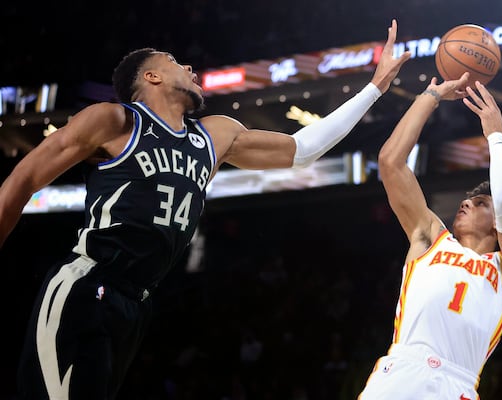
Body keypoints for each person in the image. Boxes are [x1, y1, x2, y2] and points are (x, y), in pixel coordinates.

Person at [0, 20, 411, 400]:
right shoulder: (115, 120)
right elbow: (24, 180)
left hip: (136, 302)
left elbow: (303, 150)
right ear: (151, 76)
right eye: (176, 62)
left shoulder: (213, 136)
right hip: (86, 285)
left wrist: (374, 87)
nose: (191, 67)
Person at [358, 75, 502, 400]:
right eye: (468, 200)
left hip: (457, 384)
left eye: (481, 203)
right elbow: (390, 162)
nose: (466, 202)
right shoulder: (430, 237)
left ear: (498, 225)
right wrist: (430, 95)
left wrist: (495, 134)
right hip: (402, 371)